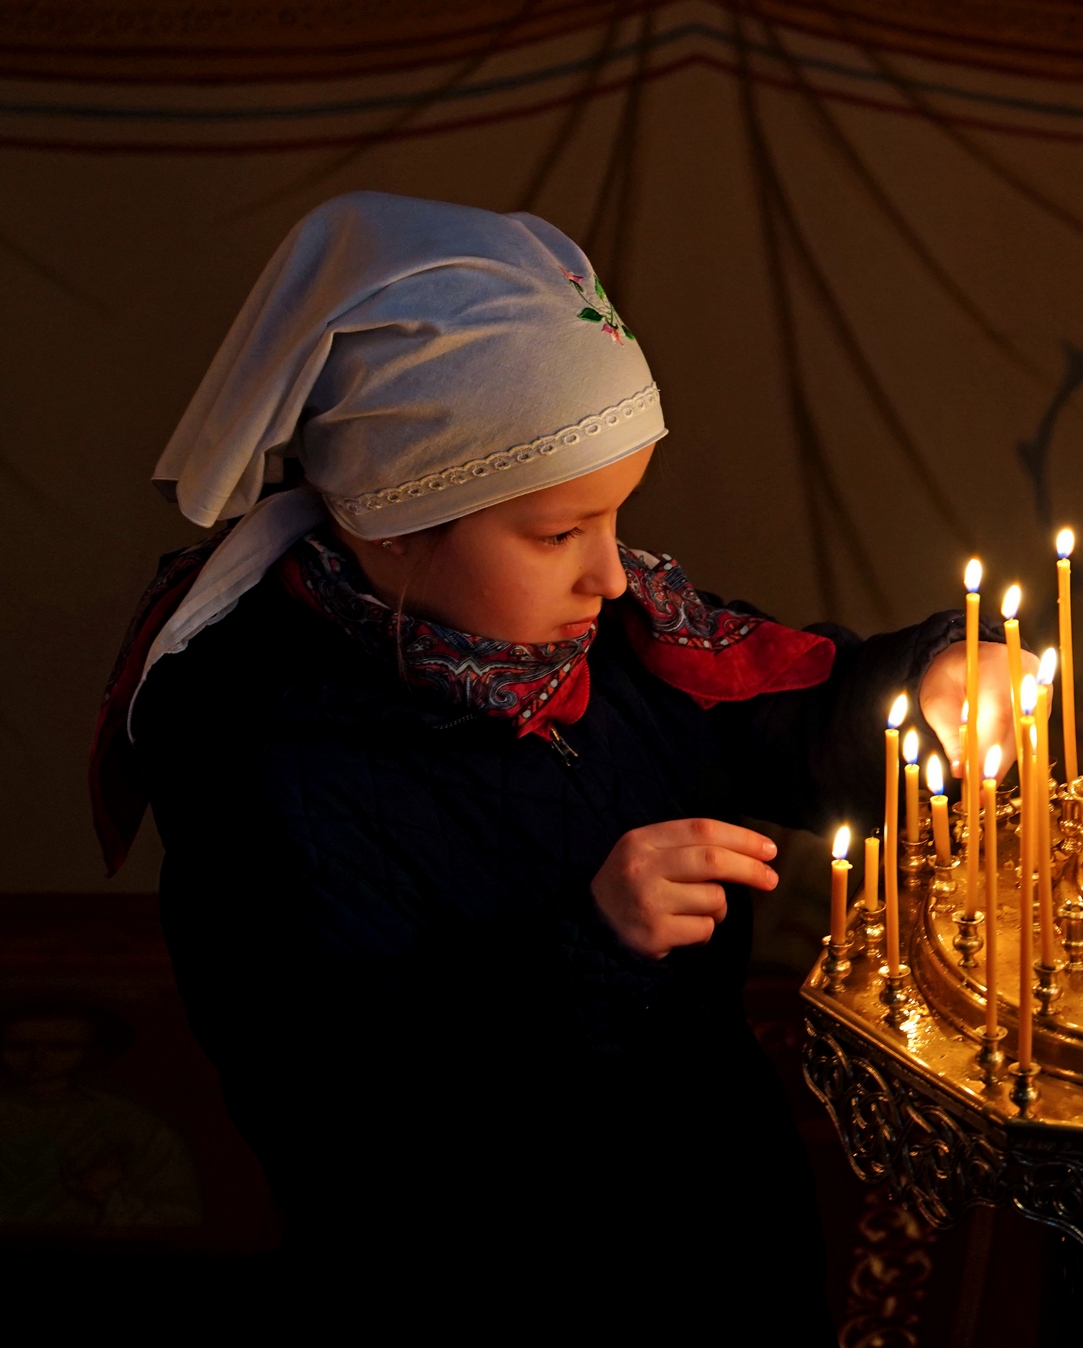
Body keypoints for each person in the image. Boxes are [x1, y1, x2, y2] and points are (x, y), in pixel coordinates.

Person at [88, 192, 1018, 1327]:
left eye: (617, 519)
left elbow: (791, 721)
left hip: (721, 1251)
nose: (614, 576)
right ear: (393, 520)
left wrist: (927, 683)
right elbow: (350, 1122)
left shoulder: (624, 645)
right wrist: (591, 942)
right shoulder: (268, 766)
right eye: (557, 533)